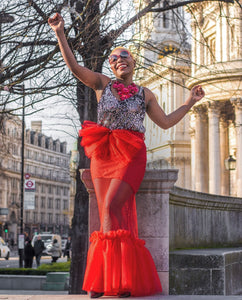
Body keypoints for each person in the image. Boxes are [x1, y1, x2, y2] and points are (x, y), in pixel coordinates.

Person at [48, 13, 205, 298]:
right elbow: (73, 67)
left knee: (109, 208)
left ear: (133, 63)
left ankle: (110, 280)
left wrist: (189, 102)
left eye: (125, 56)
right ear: (110, 65)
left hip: (131, 154)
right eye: (114, 58)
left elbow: (167, 122)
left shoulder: (145, 94)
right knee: (108, 212)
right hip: (104, 153)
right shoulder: (101, 84)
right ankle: (111, 281)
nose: (119, 60)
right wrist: (60, 33)